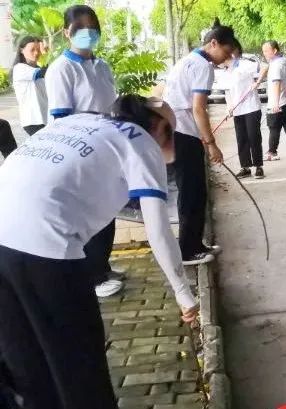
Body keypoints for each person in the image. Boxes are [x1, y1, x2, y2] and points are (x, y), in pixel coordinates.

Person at [0, 95, 199, 409]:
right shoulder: (141, 142)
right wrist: (182, 292)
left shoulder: (77, 121)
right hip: (48, 248)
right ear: (160, 129)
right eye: (171, 134)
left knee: (25, 359)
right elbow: (158, 231)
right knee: (79, 360)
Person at [45, 5, 125, 298]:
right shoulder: (61, 69)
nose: (88, 34)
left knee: (108, 210)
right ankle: (93, 277)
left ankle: (102, 265)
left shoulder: (101, 66)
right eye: (80, 29)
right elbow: (61, 118)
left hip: (107, 149)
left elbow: (111, 105)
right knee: (88, 215)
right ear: (67, 33)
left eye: (93, 29)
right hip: (80, 152)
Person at [163, 19, 235, 266]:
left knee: (194, 192)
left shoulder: (187, 61)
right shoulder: (203, 65)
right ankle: (187, 251)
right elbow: (199, 108)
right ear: (213, 43)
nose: (225, 58)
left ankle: (194, 244)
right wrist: (211, 143)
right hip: (184, 134)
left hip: (175, 132)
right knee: (192, 193)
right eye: (225, 52)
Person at [226, 43, 265, 180]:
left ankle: (258, 166)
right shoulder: (227, 70)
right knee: (241, 139)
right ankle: (245, 167)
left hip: (251, 107)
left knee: (253, 136)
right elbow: (227, 91)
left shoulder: (244, 64)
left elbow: (265, 66)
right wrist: (229, 107)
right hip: (237, 110)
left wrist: (257, 82)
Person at [260, 40, 286, 161]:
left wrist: (275, 103)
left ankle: (272, 152)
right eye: (263, 51)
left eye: (266, 51)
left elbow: (277, 83)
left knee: (274, 126)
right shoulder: (285, 61)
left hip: (279, 101)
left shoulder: (276, 65)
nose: (265, 53)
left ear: (275, 50)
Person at [11, 36, 47, 136]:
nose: (36, 53)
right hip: (33, 120)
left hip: (45, 119)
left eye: (38, 49)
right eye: (32, 50)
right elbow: (44, 72)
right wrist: (45, 55)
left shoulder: (39, 69)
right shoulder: (20, 68)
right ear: (22, 50)